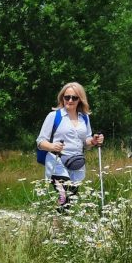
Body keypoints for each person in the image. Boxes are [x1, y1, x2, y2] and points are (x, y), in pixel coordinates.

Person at [36, 82, 104, 212]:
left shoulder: (84, 118)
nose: (70, 100)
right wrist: (52, 146)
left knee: (70, 200)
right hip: (57, 162)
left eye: (74, 97)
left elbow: (86, 141)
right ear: (62, 98)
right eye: (67, 97)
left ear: (80, 100)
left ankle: (57, 221)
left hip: (76, 163)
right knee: (63, 195)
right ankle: (57, 222)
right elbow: (40, 141)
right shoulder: (54, 116)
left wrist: (94, 141)